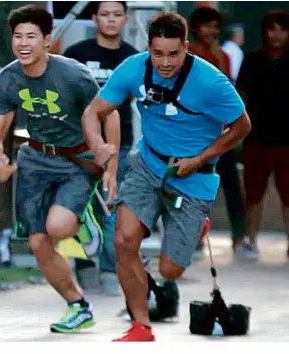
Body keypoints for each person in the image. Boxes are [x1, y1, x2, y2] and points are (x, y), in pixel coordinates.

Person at [82, 12, 251, 341]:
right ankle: (141, 326)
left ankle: (188, 230)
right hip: (147, 165)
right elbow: (94, 111)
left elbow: (243, 125)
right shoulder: (135, 68)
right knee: (124, 240)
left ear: (186, 47)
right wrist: (98, 145)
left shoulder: (210, 81)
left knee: (170, 270)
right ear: (149, 47)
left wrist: (201, 157)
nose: (165, 62)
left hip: (194, 177)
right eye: (158, 53)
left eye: (173, 53)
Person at [0, 5, 120, 333]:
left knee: (58, 227)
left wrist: (110, 164)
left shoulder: (74, 75)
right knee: (37, 242)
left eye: (31, 36)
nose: (23, 43)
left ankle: (81, 220)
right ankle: (78, 306)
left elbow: (110, 114)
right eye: (18, 37)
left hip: (76, 160)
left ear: (48, 40)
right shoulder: (7, 79)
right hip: (35, 160)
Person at [63, 1, 138, 296]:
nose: (110, 20)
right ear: (94, 19)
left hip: (121, 143)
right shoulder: (76, 55)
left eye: (117, 15)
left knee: (113, 208)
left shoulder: (134, 59)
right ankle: (83, 268)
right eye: (104, 14)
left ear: (125, 19)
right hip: (78, 145)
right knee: (77, 208)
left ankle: (109, 270)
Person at [188, 7, 247, 256]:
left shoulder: (223, 55)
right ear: (196, 28)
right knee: (195, 187)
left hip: (221, 131)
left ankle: (239, 237)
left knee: (232, 185)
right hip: (194, 132)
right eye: (206, 26)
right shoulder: (188, 52)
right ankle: (194, 238)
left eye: (214, 27)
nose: (210, 31)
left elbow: (229, 91)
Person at [236, 10, 289, 260]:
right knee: (253, 194)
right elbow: (241, 96)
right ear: (264, 32)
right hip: (256, 139)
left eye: (282, 29)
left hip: (288, 142)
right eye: (272, 29)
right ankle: (251, 241)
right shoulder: (252, 60)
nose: (277, 34)